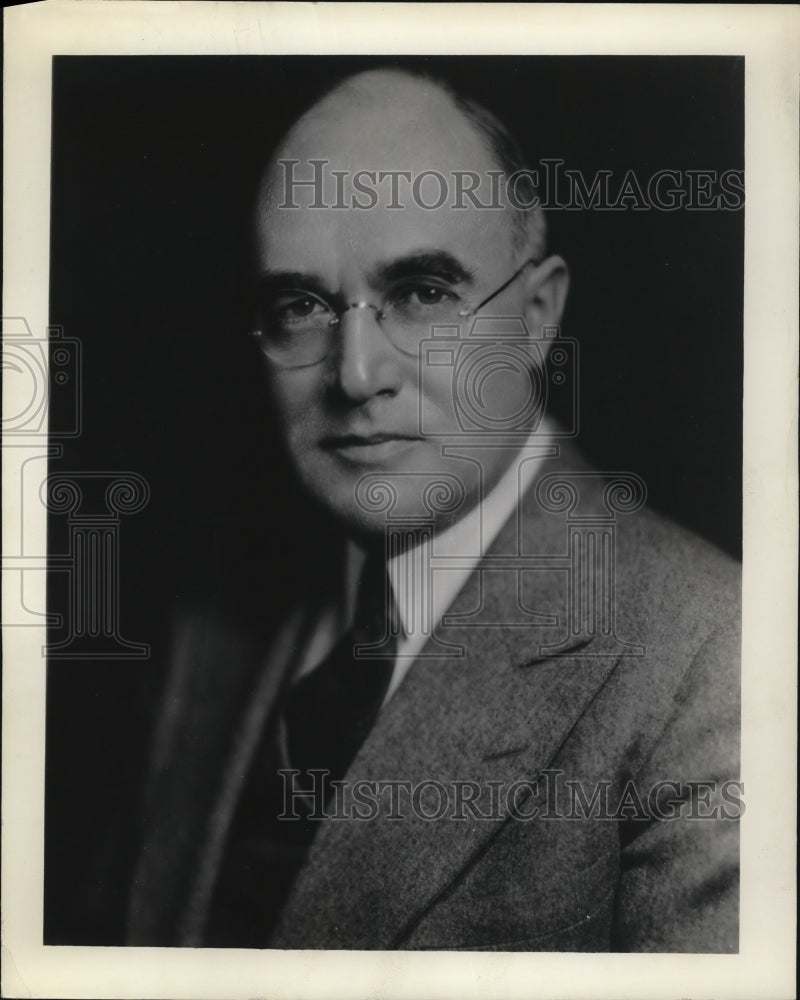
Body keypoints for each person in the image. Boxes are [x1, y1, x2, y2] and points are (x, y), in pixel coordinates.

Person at [126, 67, 741, 952]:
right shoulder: (210, 623)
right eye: (299, 306)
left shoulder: (711, 658)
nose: (353, 373)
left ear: (537, 315)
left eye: (421, 293)